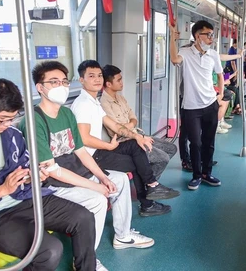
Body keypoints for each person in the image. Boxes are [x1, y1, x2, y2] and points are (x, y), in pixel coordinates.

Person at [0, 79, 97, 271]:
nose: (8, 124)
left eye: (12, 118)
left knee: (83, 217)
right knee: (49, 251)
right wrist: (0, 191)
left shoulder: (12, 136)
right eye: (3, 119)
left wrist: (32, 177)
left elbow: (24, 168)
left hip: (22, 199)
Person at [19, 61, 156, 270]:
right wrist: (96, 187)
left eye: (64, 81)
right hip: (52, 183)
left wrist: (102, 177)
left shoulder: (66, 114)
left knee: (117, 180)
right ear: (40, 88)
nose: (61, 86)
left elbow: (80, 151)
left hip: (74, 170)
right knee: (97, 200)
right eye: (53, 82)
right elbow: (52, 169)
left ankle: (123, 235)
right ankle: (85, 257)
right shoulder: (34, 120)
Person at [69, 60, 178, 217]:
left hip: (102, 149)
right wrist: (108, 147)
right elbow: (83, 138)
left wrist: (137, 136)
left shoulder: (93, 102)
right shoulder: (83, 104)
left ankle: (152, 187)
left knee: (136, 145)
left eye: (99, 75)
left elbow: (113, 124)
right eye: (91, 76)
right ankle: (148, 200)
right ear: (81, 80)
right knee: (138, 161)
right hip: (91, 156)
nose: (97, 79)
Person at [169, 19, 223, 190]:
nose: (211, 39)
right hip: (191, 107)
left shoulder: (213, 54)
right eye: (208, 35)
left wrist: (220, 94)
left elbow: (220, 75)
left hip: (210, 104)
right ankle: (197, 175)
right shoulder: (185, 52)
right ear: (197, 36)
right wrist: (172, 39)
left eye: (212, 35)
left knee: (209, 142)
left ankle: (207, 173)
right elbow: (174, 59)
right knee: (196, 143)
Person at [100, 64, 177, 180]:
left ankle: (146, 176)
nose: (122, 82)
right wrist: (131, 127)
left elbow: (134, 118)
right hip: (125, 141)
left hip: (137, 134)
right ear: (108, 84)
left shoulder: (121, 98)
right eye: (119, 80)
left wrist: (130, 126)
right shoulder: (104, 103)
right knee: (163, 158)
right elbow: (115, 131)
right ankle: (149, 185)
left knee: (172, 148)